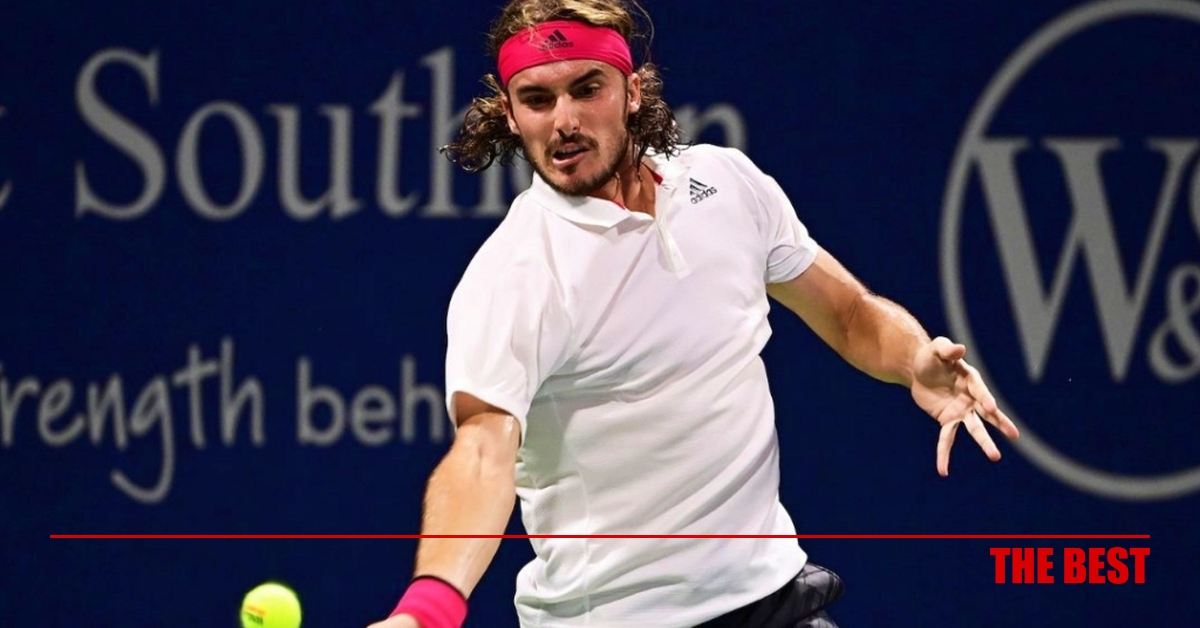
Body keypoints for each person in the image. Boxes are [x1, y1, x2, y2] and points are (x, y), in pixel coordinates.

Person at [368, 1, 1020, 627]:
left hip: (770, 596)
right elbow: (484, 449)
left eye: (587, 89)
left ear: (632, 91)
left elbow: (849, 314)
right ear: (511, 115)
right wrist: (429, 609)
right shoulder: (515, 272)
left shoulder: (725, 182)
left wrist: (912, 358)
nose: (563, 120)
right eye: (537, 99)